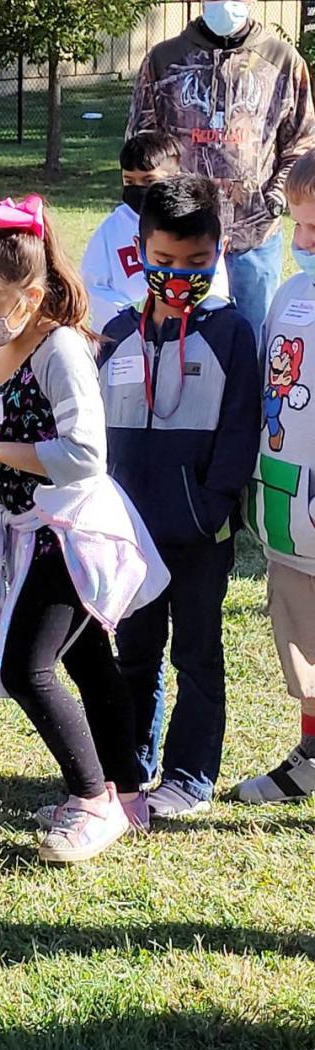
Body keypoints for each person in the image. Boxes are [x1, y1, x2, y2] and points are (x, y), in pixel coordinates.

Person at [0, 196, 168, 864]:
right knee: (87, 659)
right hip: (32, 528)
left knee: (26, 667)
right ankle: (127, 790)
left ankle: (92, 801)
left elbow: (84, 455)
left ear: (32, 294)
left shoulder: (59, 352)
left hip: (72, 532)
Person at [98, 175, 260, 818]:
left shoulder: (231, 333)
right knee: (133, 652)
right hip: (128, 533)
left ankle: (191, 774)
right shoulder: (113, 334)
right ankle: (131, 773)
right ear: (141, 255)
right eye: (163, 263)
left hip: (199, 534)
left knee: (196, 653)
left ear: (218, 253)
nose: (179, 276)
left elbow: (242, 427)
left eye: (197, 263)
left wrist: (211, 507)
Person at [126, 0, 315, 337]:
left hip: (255, 238)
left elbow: (301, 144)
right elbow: (142, 144)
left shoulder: (283, 61)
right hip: (183, 241)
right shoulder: (163, 60)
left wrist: (274, 196)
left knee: (254, 340)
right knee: (179, 342)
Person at [237, 148, 315, 803]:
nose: (304, 241)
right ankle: (310, 757)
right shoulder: (289, 295)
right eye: (299, 225)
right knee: (302, 649)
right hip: (290, 516)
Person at [81, 131, 229, 331]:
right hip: (129, 331)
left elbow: (214, 282)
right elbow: (94, 285)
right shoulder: (111, 229)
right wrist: (133, 315)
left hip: (189, 329)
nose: (138, 189)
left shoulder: (194, 223)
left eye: (148, 181)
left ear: (174, 178)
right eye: (129, 182)